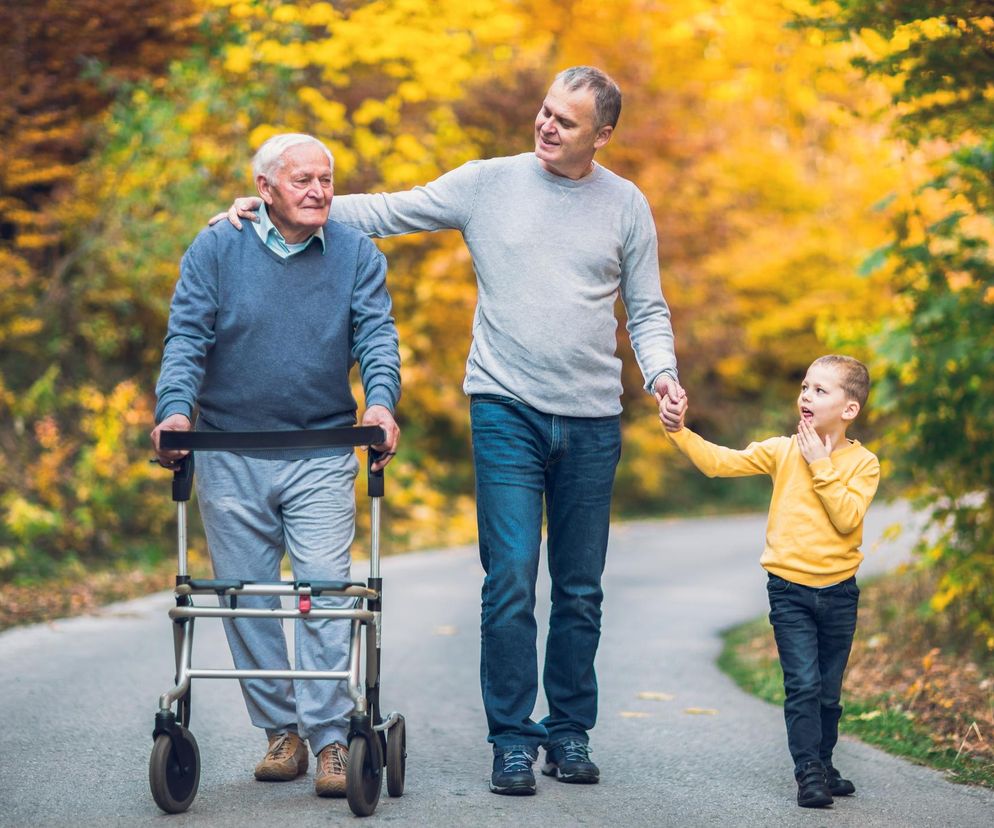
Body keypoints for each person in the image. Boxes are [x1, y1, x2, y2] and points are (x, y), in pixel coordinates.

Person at [217, 66, 686, 796]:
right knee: (507, 582)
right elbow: (385, 212)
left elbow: (647, 308)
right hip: (503, 406)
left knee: (580, 587)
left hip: (594, 417)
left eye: (566, 119)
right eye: (544, 111)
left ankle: (568, 731)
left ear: (602, 134)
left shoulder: (626, 204)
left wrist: (662, 375)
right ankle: (511, 740)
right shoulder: (487, 183)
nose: (546, 125)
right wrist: (278, 203)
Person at [152, 133, 401, 799]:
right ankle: (280, 734)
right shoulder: (216, 246)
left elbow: (377, 335)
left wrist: (380, 403)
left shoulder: (355, 254)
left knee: (322, 591)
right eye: (303, 180)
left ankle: (329, 743)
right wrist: (176, 411)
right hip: (228, 449)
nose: (320, 191)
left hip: (321, 449)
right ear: (265, 189)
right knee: (247, 598)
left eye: (326, 179)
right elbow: (187, 335)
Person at [658, 354, 879, 809]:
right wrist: (678, 431)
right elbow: (720, 462)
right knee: (802, 685)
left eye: (820, 390)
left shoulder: (864, 464)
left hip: (839, 592)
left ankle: (824, 761)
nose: (806, 396)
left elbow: (847, 518)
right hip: (788, 590)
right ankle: (808, 775)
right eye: (804, 387)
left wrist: (822, 465)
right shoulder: (783, 450)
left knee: (829, 691)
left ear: (849, 409)